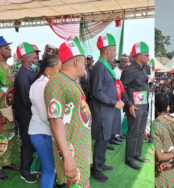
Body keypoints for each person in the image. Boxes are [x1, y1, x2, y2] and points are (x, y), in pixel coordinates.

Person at [44, 38, 92, 187]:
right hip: (71, 152)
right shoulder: (56, 83)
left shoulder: (72, 81)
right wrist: (68, 158)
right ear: (76, 62)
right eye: (84, 62)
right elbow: (55, 120)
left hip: (80, 147)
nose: (86, 66)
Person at [90, 33, 125, 182]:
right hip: (102, 112)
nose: (115, 53)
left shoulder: (105, 66)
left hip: (107, 112)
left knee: (105, 140)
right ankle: (96, 170)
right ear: (106, 50)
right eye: (114, 49)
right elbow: (96, 92)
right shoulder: (99, 67)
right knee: (101, 140)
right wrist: (113, 102)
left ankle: (100, 163)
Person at [28, 55, 61, 187]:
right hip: (42, 133)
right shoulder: (40, 86)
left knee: (50, 168)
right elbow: (45, 115)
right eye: (58, 70)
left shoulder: (46, 83)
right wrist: (59, 129)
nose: (60, 73)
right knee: (49, 170)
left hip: (45, 131)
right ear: (48, 70)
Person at [121, 41, 151, 170]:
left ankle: (137, 154)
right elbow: (122, 89)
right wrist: (129, 105)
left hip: (144, 106)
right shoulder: (129, 70)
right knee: (132, 133)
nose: (148, 58)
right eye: (146, 55)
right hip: (135, 107)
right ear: (138, 55)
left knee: (140, 132)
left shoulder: (143, 69)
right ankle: (129, 159)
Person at [14, 42, 39, 183]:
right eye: (34, 58)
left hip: (32, 114)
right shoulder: (23, 76)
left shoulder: (31, 72)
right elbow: (26, 100)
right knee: (27, 143)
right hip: (26, 116)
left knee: (32, 143)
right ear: (25, 58)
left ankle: (30, 166)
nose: (37, 60)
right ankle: (25, 171)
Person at [0, 36, 17, 180]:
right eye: (6, 48)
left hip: (9, 108)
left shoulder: (8, 67)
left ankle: (6, 162)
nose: (9, 50)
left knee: (10, 135)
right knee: (1, 137)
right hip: (2, 110)